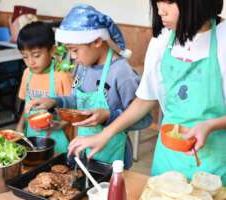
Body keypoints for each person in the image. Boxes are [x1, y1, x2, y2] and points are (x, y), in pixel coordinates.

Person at [68, 0, 226, 184]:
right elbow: (145, 99)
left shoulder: (223, 40)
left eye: (169, 2)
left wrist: (210, 125)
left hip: (215, 160)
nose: (160, 11)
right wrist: (104, 135)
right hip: (168, 156)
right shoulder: (162, 40)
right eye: (157, 2)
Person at [25, 4, 152, 165]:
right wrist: (55, 101)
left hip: (112, 156)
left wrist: (108, 116)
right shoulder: (82, 67)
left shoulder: (121, 73)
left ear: (97, 41)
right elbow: (76, 101)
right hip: (83, 150)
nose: (72, 56)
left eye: (75, 50)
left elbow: (144, 119)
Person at [16, 21, 74, 153]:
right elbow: (27, 107)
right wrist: (20, 126)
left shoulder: (63, 77)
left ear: (52, 50)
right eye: (25, 57)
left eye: (36, 55)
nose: (31, 62)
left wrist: (60, 125)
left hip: (59, 140)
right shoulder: (27, 74)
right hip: (31, 136)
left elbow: (75, 112)